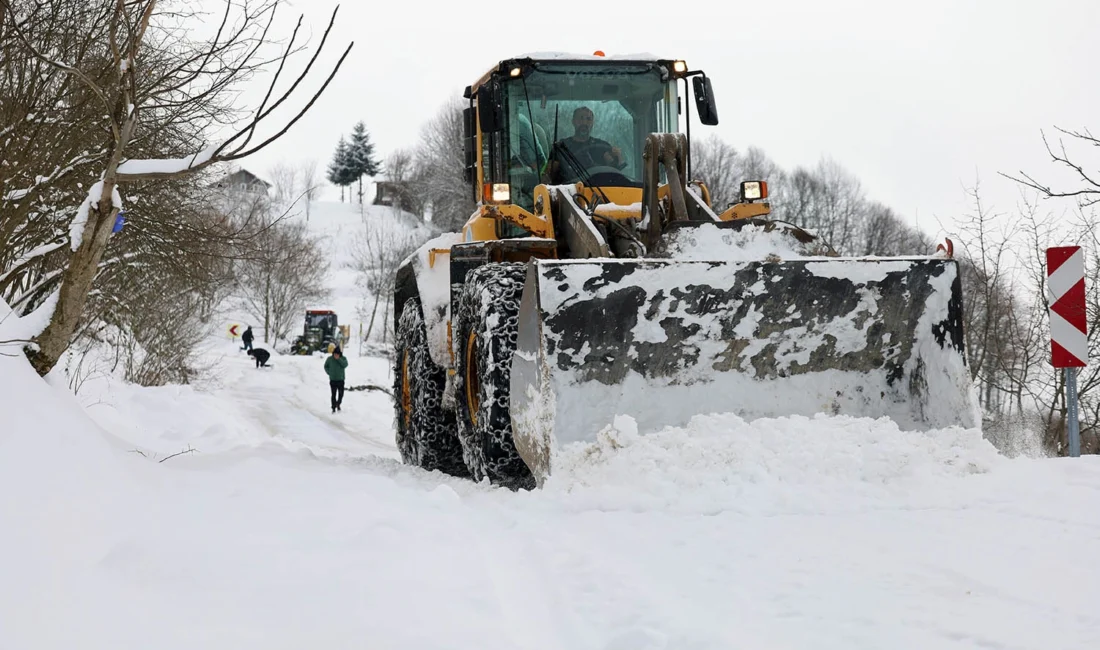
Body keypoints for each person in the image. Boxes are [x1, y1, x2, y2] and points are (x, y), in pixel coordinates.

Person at [548, 106, 624, 182]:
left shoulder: (603, 147)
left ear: (592, 123)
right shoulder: (561, 148)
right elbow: (548, 176)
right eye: (581, 118)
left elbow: (615, 174)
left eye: (588, 119)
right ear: (573, 121)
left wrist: (618, 157)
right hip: (567, 192)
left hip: (601, 192)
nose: (584, 123)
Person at [324, 347, 348, 413]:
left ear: (339, 354)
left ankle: (338, 404)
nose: (335, 355)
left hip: (340, 380)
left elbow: (345, 365)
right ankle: (333, 407)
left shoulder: (343, 358)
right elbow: (325, 366)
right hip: (333, 380)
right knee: (333, 394)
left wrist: (338, 359)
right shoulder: (329, 359)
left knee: (341, 394)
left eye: (337, 354)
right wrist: (329, 372)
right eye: (334, 354)